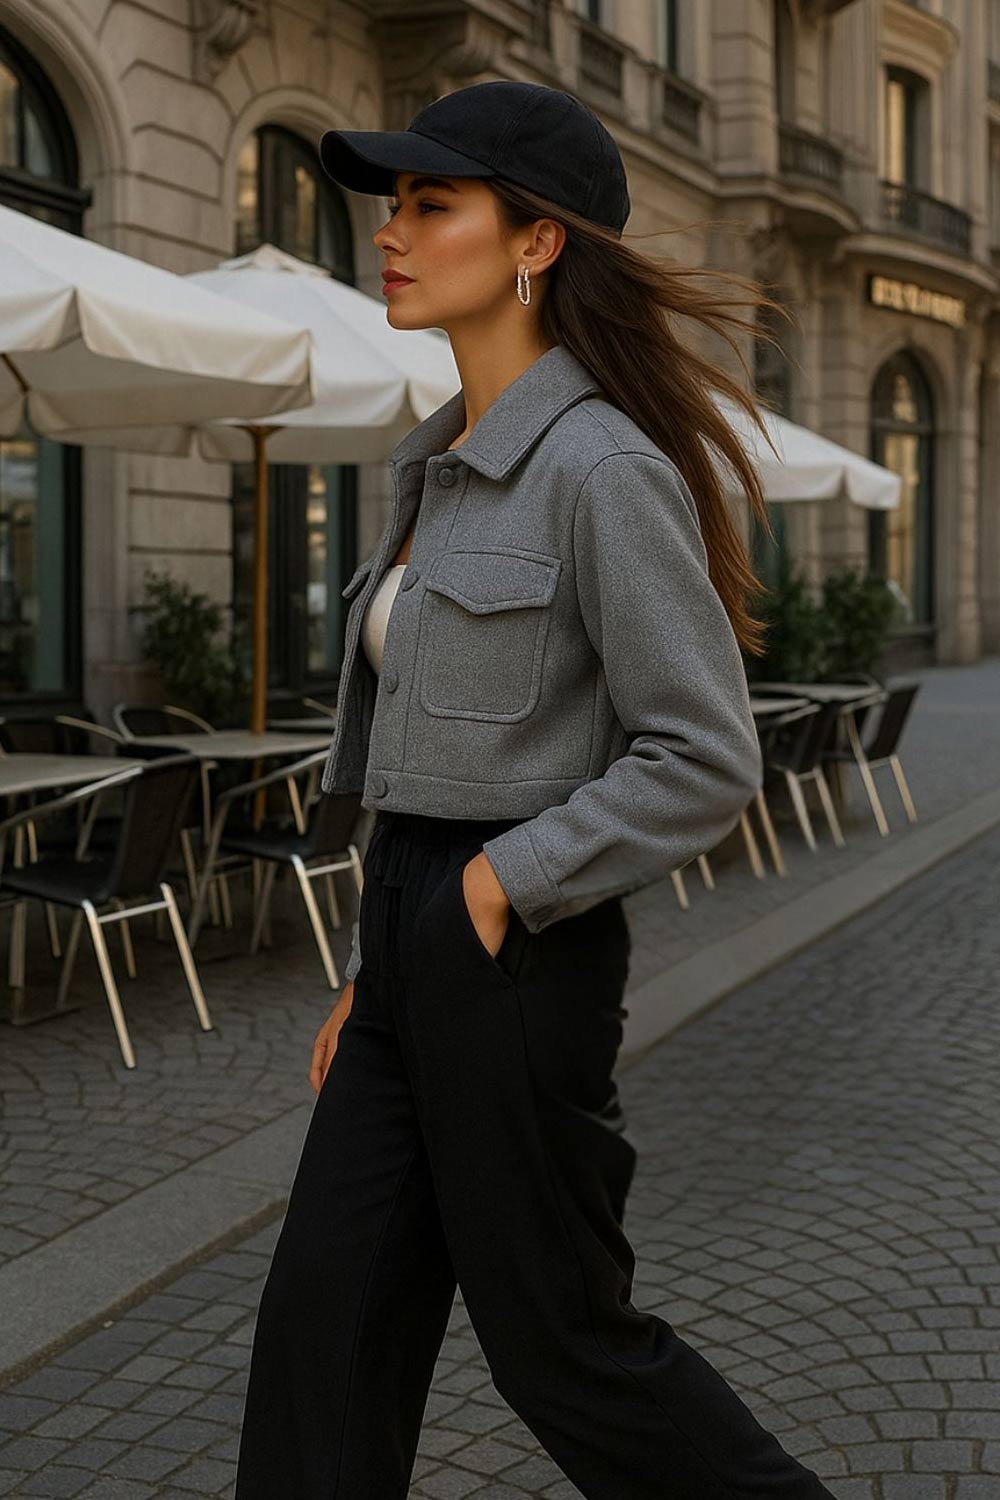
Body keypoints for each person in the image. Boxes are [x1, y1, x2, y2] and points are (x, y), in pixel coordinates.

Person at [233, 80, 835, 1500]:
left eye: (432, 204)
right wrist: (388, 958)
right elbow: (431, 754)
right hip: (415, 943)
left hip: (515, 952)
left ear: (535, 244)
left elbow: (704, 756)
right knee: (324, 1332)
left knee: (565, 1347)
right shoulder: (435, 462)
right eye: (393, 203)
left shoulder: (601, 467)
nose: (392, 232)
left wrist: (492, 894)